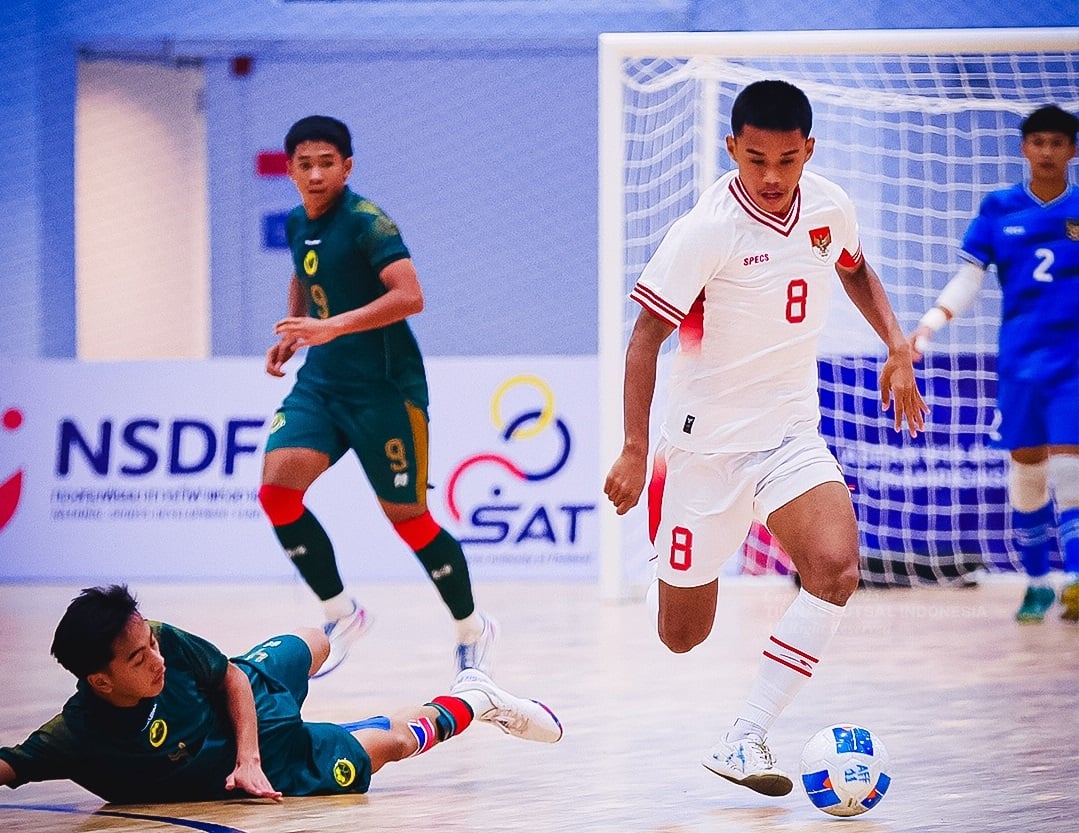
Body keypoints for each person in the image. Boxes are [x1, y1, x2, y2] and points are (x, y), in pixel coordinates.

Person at [603, 80, 927, 797]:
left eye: (787, 159)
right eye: (756, 160)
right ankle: (686, 562)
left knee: (836, 568)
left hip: (787, 432)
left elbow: (854, 268)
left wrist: (895, 343)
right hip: (703, 451)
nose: (773, 177)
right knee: (680, 635)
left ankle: (744, 734)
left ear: (808, 149)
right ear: (732, 151)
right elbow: (644, 338)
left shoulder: (829, 205)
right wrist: (632, 447)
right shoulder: (704, 230)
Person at [259, 115, 495, 678]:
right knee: (277, 491)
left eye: (327, 163)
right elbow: (303, 273)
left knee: (408, 517)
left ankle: (471, 626)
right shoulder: (297, 221)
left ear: (347, 167)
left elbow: (410, 296)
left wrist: (333, 326)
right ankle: (342, 613)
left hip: (386, 391)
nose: (315, 174)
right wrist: (297, 331)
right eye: (304, 163)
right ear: (290, 168)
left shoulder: (368, 222)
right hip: (322, 384)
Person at [0, 585, 562, 804]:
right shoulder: (74, 736)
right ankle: (475, 698)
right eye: (138, 658)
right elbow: (10, 765)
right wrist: (253, 765)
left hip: (249, 702)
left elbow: (230, 679)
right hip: (278, 767)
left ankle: (341, 633)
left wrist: (245, 754)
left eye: (151, 642)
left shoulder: (168, 641)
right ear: (100, 680)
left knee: (311, 642)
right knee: (391, 742)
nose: (157, 658)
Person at [910, 104, 1079, 624]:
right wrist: (930, 322)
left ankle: (1075, 579)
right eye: (1038, 142)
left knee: (1071, 463)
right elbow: (970, 276)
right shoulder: (999, 207)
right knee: (1026, 467)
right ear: (1025, 148)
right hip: (1020, 362)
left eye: (1057, 142)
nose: (1047, 152)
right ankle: (1037, 584)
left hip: (1073, 360)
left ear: (1072, 150)